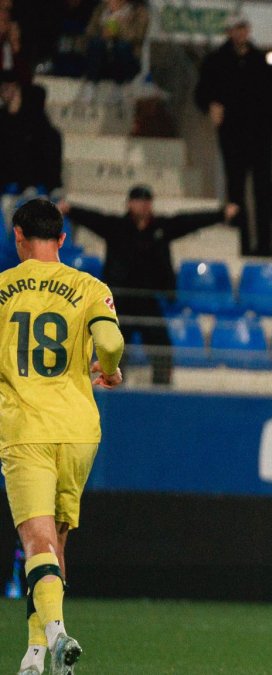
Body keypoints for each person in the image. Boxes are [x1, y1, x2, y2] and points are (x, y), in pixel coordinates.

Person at [0, 198, 124, 675]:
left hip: (26, 428)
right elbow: (110, 343)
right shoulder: (89, 285)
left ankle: (55, 634)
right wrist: (109, 372)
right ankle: (37, 658)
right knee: (54, 545)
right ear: (63, 240)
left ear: (18, 237)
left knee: (35, 541)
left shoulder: (5, 289)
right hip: (78, 431)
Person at [59, 185, 237, 385]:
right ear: (129, 204)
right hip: (120, 301)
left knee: (161, 347)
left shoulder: (160, 227)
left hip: (149, 300)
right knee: (113, 348)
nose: (142, 206)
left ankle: (162, 389)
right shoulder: (116, 227)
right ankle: (112, 390)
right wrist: (71, 210)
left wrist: (220, 214)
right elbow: (93, 218)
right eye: (138, 201)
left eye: (146, 202)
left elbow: (189, 222)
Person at [194, 14, 272, 257]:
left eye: (243, 28)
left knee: (263, 191)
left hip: (260, 136)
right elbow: (202, 93)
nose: (240, 33)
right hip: (233, 135)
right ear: (229, 32)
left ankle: (264, 245)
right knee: (236, 190)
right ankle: (240, 244)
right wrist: (211, 106)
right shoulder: (217, 61)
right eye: (235, 29)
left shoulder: (260, 61)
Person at [0, 74, 62, 195]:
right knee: (17, 142)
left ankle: (52, 185)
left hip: (35, 165)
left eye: (9, 89)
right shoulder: (2, 116)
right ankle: (26, 184)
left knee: (52, 137)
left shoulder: (32, 110)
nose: (6, 93)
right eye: (3, 90)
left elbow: (40, 92)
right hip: (10, 169)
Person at [81, 0, 148, 99]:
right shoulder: (101, 9)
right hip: (104, 58)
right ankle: (90, 84)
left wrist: (119, 29)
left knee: (122, 46)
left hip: (126, 59)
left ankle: (120, 86)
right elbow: (89, 32)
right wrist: (102, 33)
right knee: (96, 44)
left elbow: (138, 35)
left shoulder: (139, 11)